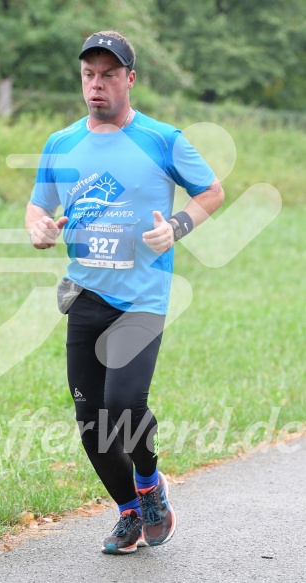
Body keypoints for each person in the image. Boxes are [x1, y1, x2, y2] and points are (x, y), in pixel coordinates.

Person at [25, 30, 224, 554]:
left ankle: (150, 482)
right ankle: (131, 514)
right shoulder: (61, 143)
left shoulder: (163, 138)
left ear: (129, 79)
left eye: (109, 75)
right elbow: (37, 206)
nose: (97, 85)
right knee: (92, 424)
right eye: (89, 74)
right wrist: (39, 228)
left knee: (124, 402)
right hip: (86, 293)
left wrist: (177, 227)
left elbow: (212, 191)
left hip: (143, 296)